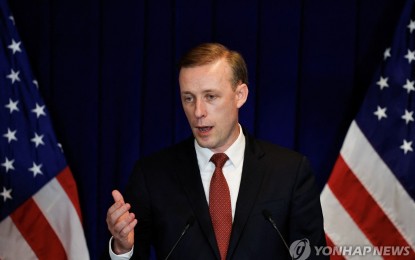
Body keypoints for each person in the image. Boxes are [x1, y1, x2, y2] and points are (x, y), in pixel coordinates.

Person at [106, 43, 327, 259]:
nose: (198, 112)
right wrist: (122, 249)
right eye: (188, 98)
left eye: (210, 97)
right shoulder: (152, 175)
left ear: (240, 95)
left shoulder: (289, 171)